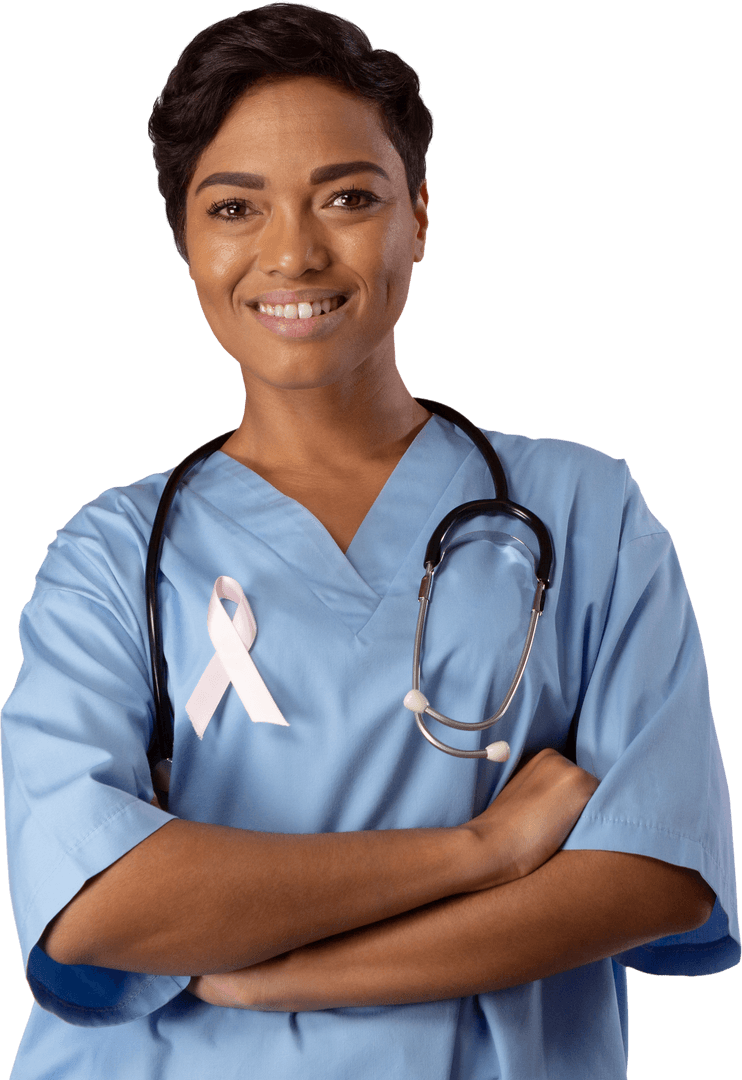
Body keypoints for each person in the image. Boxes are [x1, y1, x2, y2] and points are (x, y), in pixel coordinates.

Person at [1, 4, 738, 1078]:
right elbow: (94, 906)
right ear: (185, 243)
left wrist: (284, 978)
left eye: (348, 197)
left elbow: (655, 872)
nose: (293, 252)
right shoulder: (111, 557)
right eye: (234, 207)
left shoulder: (586, 512)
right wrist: (480, 849)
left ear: (420, 216)